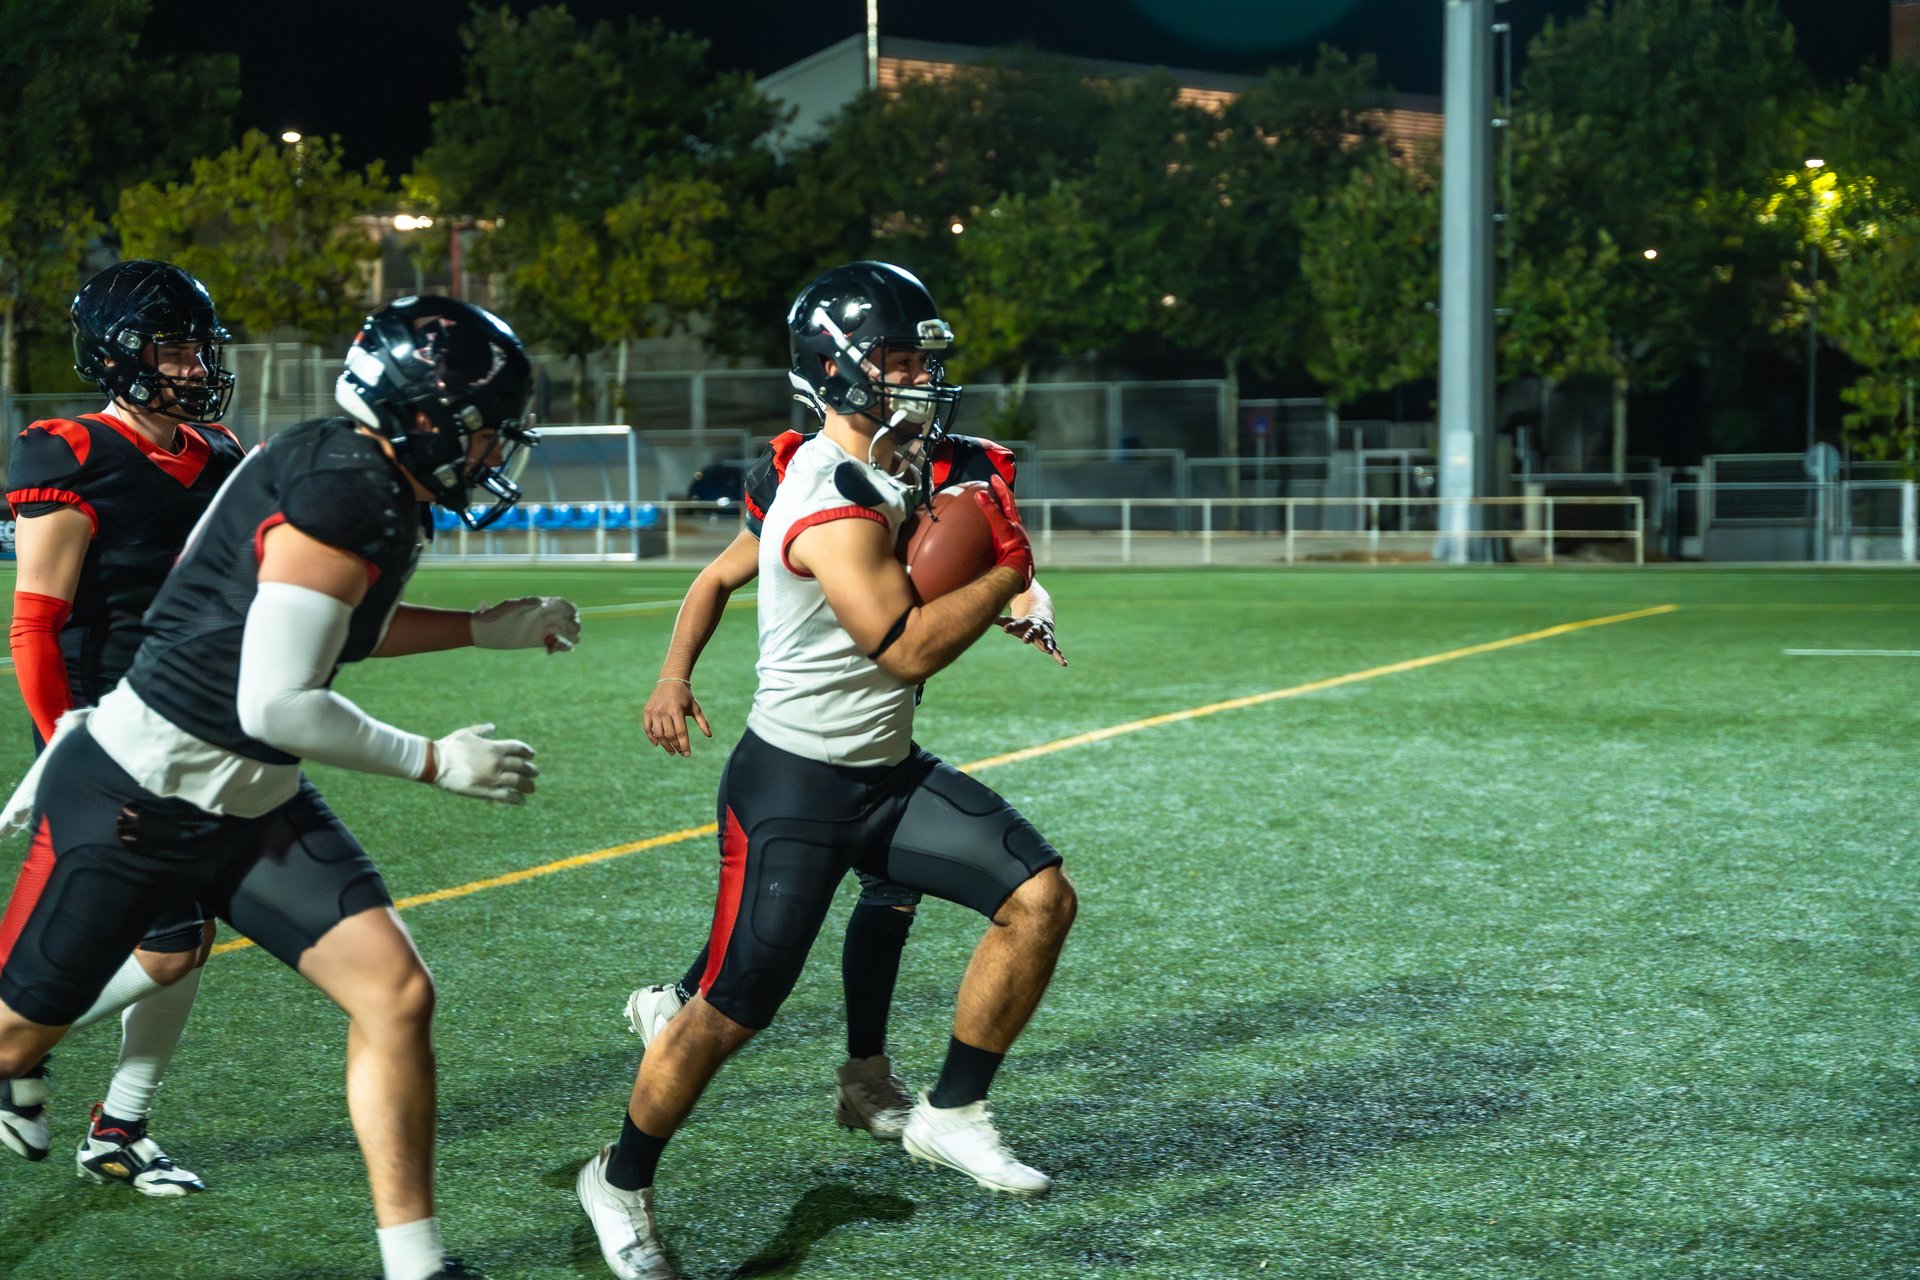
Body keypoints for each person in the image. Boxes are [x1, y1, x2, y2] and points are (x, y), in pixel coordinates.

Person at [0, 295, 579, 1280]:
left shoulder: (365, 475)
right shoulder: (344, 485)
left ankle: (416, 1262)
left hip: (248, 801)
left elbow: (336, 626)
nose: (493, 453)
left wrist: (485, 625)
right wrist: (434, 760)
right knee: (11, 1038)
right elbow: (279, 702)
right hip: (142, 797)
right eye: (483, 429)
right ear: (424, 413)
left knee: (395, 993)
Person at [580, 262, 1077, 1280]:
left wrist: (1003, 581)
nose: (918, 380)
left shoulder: (894, 466)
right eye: (898, 361)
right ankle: (619, 1178)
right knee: (728, 1009)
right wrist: (1004, 578)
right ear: (836, 371)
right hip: (793, 789)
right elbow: (904, 646)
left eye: (921, 361)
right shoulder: (828, 495)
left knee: (1040, 896)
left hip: (884, 774)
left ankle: (952, 1109)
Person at [628, 367, 1068, 1144]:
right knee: (767, 951)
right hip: (811, 741)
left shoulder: (969, 467)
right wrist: (672, 674)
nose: (920, 393)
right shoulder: (821, 476)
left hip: (882, 738)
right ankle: (696, 1005)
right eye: (900, 371)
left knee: (891, 891)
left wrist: (1032, 604)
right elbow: (720, 576)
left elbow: (1017, 574)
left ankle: (865, 1075)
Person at [0, 260, 246, 1193]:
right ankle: (12, 1044)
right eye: (175, 348)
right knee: (170, 941)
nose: (194, 365)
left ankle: (120, 1126)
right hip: (107, 732)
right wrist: (68, 739)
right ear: (118, 356)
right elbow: (36, 622)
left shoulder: (216, 449)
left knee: (185, 941)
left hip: (199, 730)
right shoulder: (66, 449)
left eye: (199, 347)